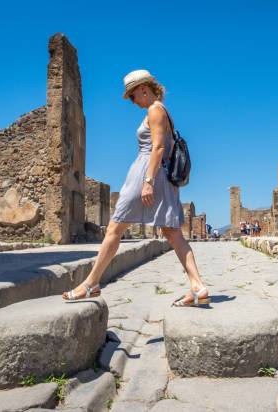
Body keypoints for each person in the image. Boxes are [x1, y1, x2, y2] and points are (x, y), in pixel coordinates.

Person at [63, 69, 209, 307]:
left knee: (114, 228)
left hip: (147, 174)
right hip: (161, 177)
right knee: (172, 232)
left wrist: (148, 182)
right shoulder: (161, 110)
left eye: (132, 96)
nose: (132, 102)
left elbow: (159, 147)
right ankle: (198, 286)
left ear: (143, 89)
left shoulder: (154, 109)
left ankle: (90, 284)